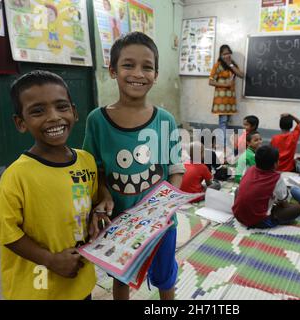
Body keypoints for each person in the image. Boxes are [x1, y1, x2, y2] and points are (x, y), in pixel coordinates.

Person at [83, 32, 185, 300]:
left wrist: (165, 208)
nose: (138, 73)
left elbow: (175, 170)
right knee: (121, 276)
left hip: (161, 224)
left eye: (147, 66)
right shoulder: (97, 120)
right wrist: (104, 195)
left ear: (156, 74)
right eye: (128, 65)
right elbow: (95, 171)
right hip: (119, 224)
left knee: (165, 275)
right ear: (113, 70)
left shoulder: (165, 120)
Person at [0, 70, 104, 300]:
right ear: (21, 123)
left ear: (74, 111)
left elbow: (90, 202)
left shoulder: (86, 161)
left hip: (80, 280)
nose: (53, 117)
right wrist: (50, 260)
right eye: (38, 111)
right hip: (38, 286)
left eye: (61, 107)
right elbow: (7, 233)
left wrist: (97, 214)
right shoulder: (17, 175)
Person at [232, 146, 300, 229]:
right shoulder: (276, 178)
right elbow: (284, 203)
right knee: (296, 208)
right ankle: (274, 220)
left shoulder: (250, 169)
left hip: (239, 216)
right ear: (275, 164)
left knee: (238, 190)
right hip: (259, 221)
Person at [209, 44, 244, 147]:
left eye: (228, 53)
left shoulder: (232, 64)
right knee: (223, 122)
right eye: (224, 54)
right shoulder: (217, 65)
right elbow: (211, 82)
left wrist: (231, 65)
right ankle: (222, 146)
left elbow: (241, 75)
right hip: (221, 100)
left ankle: (223, 144)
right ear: (220, 55)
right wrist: (225, 84)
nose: (226, 55)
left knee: (226, 122)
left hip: (230, 100)